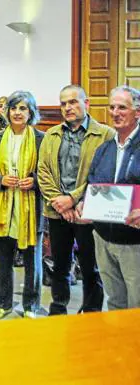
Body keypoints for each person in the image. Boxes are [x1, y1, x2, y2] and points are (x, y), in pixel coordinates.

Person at [38, 85, 113, 315]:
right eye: (63, 104)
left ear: (86, 103)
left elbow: (103, 173)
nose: (68, 107)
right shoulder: (51, 135)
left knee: (91, 267)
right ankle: (59, 308)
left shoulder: (105, 134)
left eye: (73, 102)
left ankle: (91, 312)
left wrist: (72, 198)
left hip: (88, 212)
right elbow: (43, 172)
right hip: (57, 211)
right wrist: (59, 202)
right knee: (60, 265)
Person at [76, 85, 140, 310]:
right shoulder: (104, 149)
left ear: (137, 112)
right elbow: (93, 184)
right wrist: (85, 204)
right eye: (112, 107)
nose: (115, 112)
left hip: (134, 243)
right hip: (103, 238)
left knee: (136, 306)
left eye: (122, 107)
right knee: (114, 302)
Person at [0, 91, 45, 319]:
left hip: (32, 208)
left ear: (31, 113)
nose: (17, 113)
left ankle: (31, 305)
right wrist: (0, 181)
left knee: (32, 260)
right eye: (14, 108)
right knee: (4, 259)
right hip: (3, 206)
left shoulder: (42, 138)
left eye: (23, 108)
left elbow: (49, 175)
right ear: (7, 112)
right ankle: (4, 303)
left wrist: (35, 181)